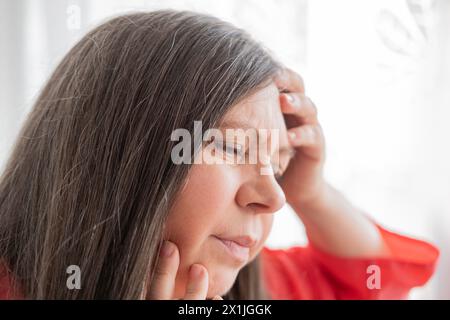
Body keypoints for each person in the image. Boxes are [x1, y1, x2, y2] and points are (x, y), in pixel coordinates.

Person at [0, 10, 438, 300]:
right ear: (114, 151)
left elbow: (371, 283)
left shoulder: (250, 294)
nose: (274, 197)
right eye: (232, 147)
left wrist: (313, 194)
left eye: (279, 165)